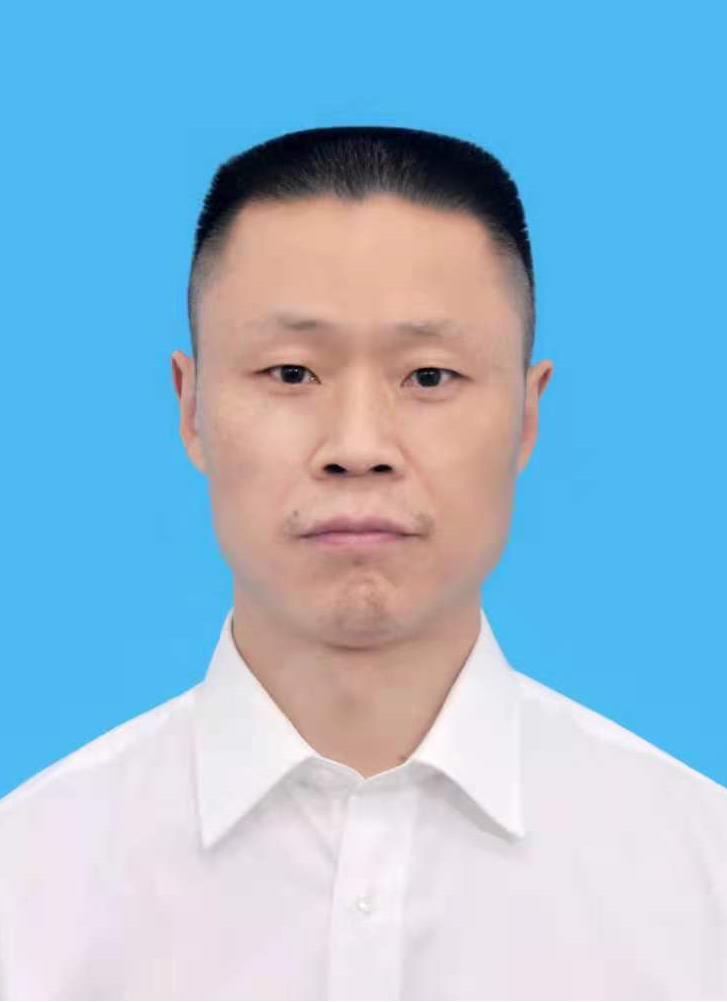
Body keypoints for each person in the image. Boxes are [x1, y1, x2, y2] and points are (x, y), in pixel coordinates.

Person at [0, 126, 725, 1002]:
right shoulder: (27, 887)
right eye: (290, 373)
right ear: (191, 410)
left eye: (429, 377)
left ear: (526, 419)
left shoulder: (700, 883)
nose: (356, 446)